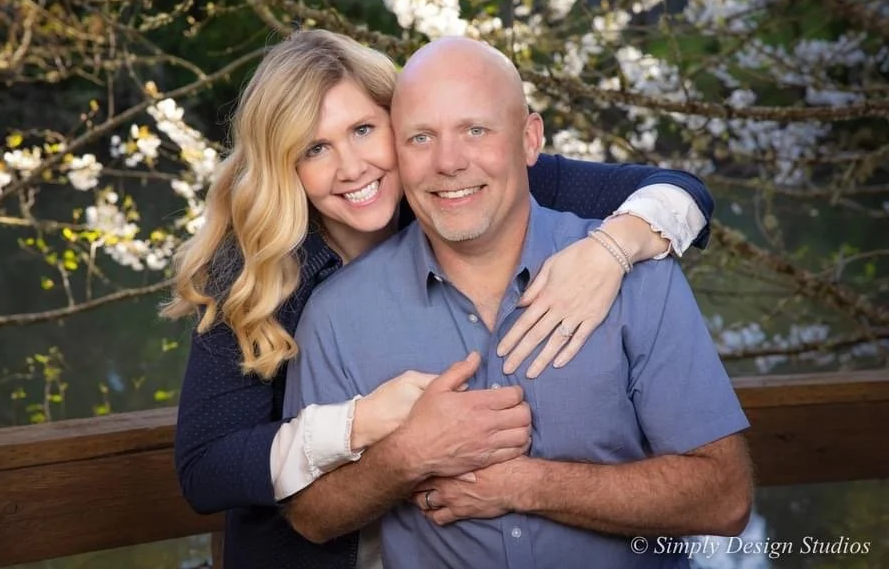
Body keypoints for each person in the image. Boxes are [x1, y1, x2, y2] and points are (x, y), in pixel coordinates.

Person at [162, 29, 716, 569]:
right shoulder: (253, 268)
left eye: (363, 130)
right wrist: (368, 422)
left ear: (401, 127)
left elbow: (679, 191)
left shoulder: (457, 185)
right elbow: (205, 469)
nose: (351, 167)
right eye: (315, 148)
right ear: (286, 165)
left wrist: (608, 252)